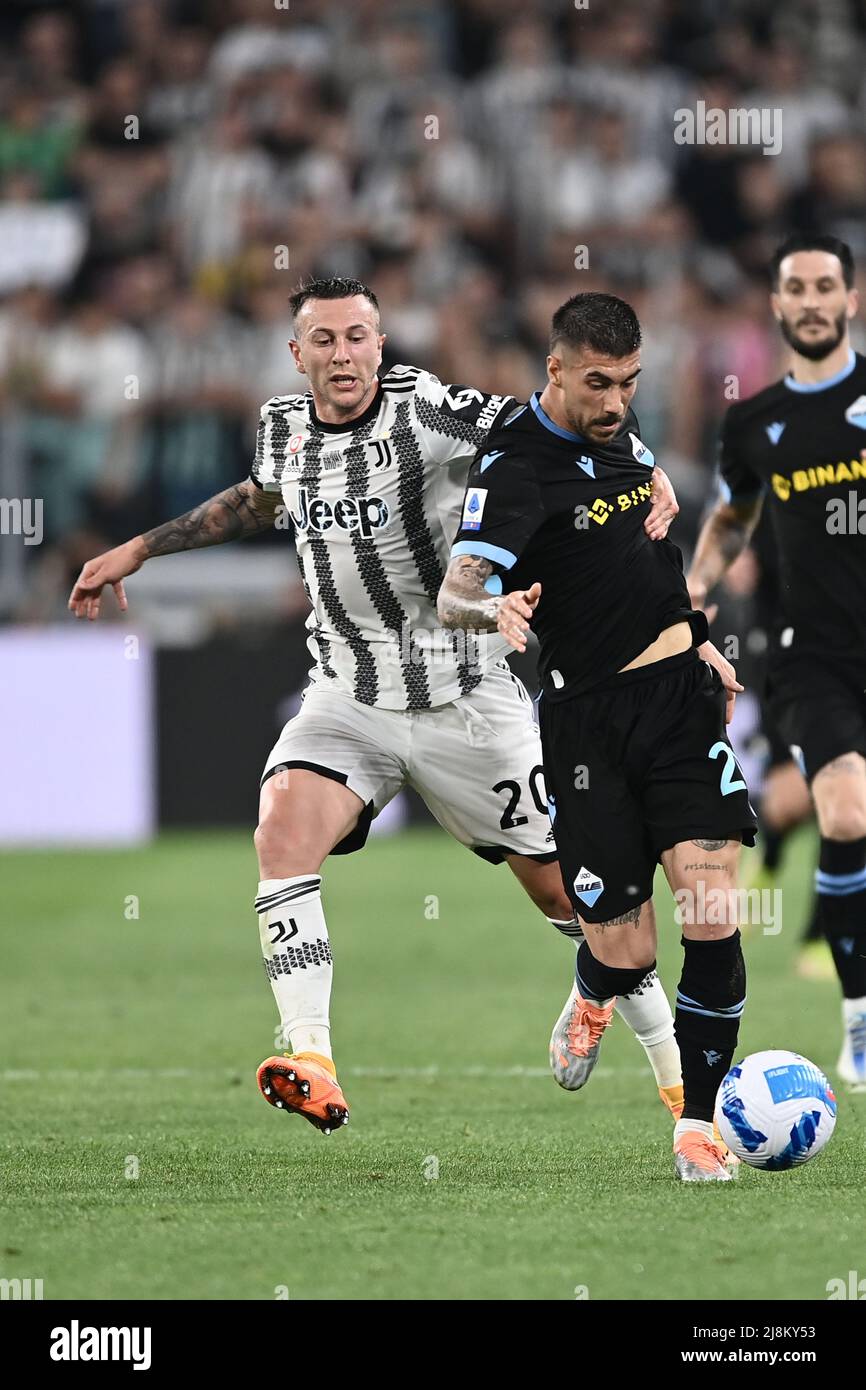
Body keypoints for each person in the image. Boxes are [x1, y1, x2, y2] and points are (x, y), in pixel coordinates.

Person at [68, 277, 684, 1135]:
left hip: (464, 699)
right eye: (324, 340)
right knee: (280, 828)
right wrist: (135, 549)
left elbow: (544, 418)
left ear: (381, 343)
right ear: (298, 354)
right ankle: (310, 1054)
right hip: (348, 695)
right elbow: (255, 500)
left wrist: (641, 467)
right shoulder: (282, 427)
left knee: (577, 902)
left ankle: (677, 1076)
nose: (343, 354)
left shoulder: (424, 408)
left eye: (358, 336)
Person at [438, 291, 756, 1181]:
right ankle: (594, 987)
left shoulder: (626, 437)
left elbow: (644, 558)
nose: (616, 402)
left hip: (680, 703)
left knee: (712, 906)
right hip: (586, 725)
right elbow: (454, 589)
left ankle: (697, 1126)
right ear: (555, 370)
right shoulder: (513, 468)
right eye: (596, 384)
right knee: (626, 946)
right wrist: (489, 604)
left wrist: (697, 640)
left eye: (628, 382)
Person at [688, 233, 866, 1086]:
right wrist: (690, 598)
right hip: (812, 658)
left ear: (851, 300)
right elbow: (731, 518)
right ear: (778, 305)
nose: (811, 300)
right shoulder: (754, 423)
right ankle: (860, 1020)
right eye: (796, 286)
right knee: (842, 812)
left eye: (826, 285)